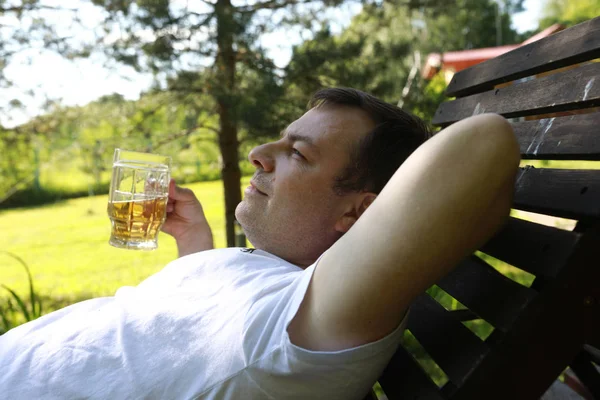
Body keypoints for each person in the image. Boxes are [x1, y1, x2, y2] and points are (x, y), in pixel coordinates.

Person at [0, 88, 520, 399]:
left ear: (360, 212)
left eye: (298, 153)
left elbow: (486, 140)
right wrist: (197, 249)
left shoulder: (318, 317)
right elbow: (202, 340)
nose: (257, 153)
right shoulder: (284, 288)